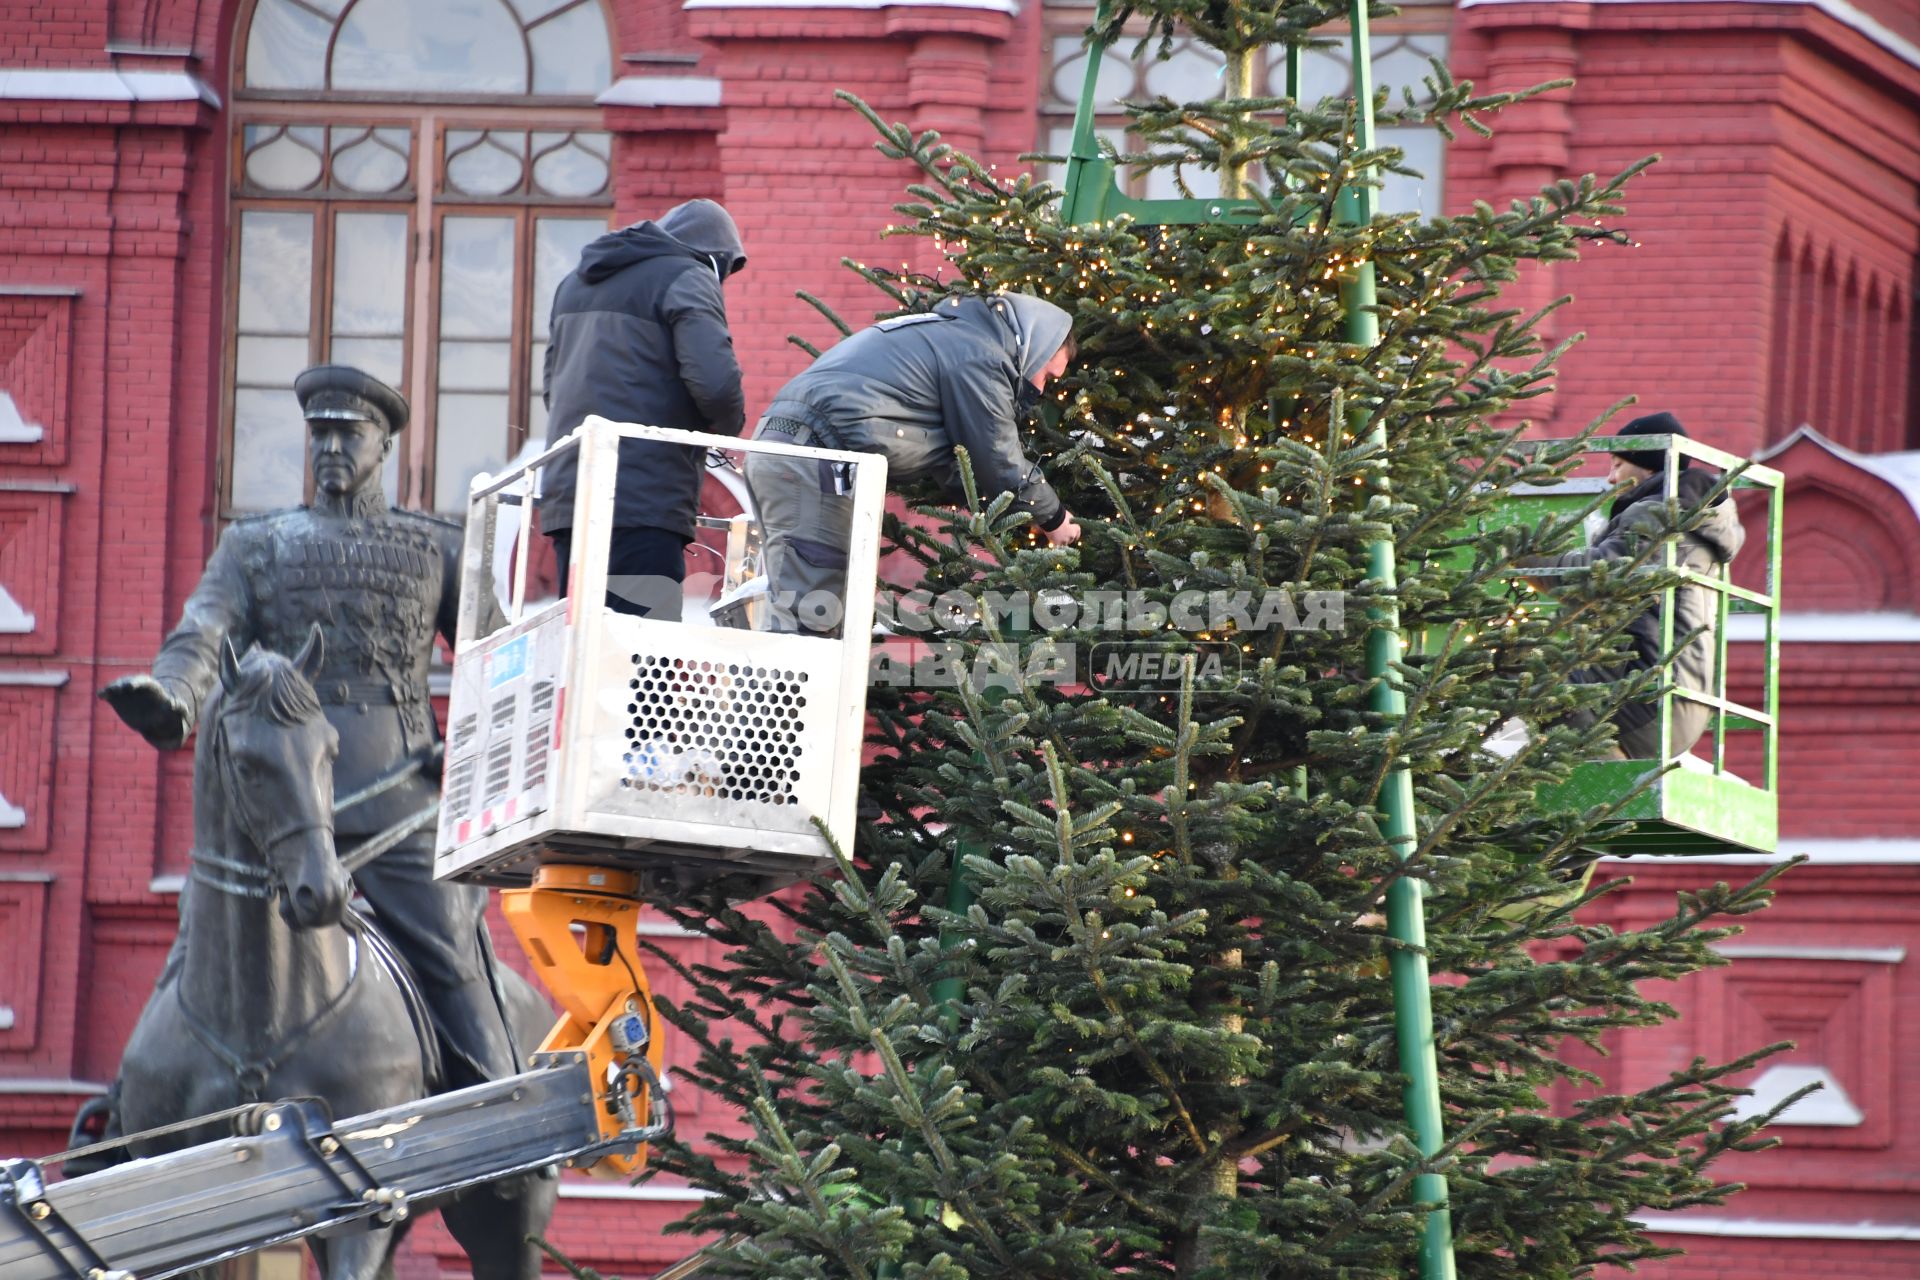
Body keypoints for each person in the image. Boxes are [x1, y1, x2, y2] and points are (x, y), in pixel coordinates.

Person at [96, 365, 519, 1101]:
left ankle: (504, 1113)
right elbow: (202, 633)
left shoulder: (441, 549)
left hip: (397, 810)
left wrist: (483, 747)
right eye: (318, 433)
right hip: (275, 817)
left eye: (347, 434)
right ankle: (131, 1110)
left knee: (453, 957)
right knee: (199, 949)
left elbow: (503, 664)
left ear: (383, 443)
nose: (329, 448)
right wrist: (173, 698)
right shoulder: (255, 547)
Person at [745, 292, 1083, 636]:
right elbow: (998, 456)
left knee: (813, 607)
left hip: (792, 451)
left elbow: (962, 466)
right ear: (1033, 348)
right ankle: (795, 689)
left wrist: (1006, 509)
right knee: (811, 617)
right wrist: (1053, 517)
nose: (1040, 390)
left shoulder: (953, 337)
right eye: (1047, 375)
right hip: (813, 460)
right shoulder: (980, 353)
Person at [536, 198, 747, 621]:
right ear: (713, 259)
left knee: (580, 645)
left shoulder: (574, 284)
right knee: (642, 658)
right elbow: (716, 384)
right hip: (643, 495)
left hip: (568, 497)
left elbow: (551, 390)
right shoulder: (689, 275)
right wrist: (723, 431)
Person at [1525, 411, 1746, 759]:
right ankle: (1601, 765)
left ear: (1648, 466)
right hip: (1676, 697)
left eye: (1617, 465)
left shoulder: (1659, 513)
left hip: (1647, 695)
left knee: (1519, 672)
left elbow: (1597, 574)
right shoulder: (1689, 518)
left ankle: (1594, 776)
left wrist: (1521, 557)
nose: (1611, 479)